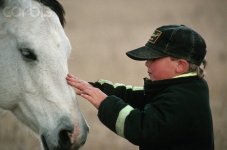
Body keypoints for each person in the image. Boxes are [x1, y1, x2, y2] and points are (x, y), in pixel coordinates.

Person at [66, 24, 214, 150]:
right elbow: (136, 95)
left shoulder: (182, 99)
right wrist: (96, 87)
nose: (147, 63)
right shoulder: (185, 87)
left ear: (180, 65)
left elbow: (143, 129)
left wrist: (105, 103)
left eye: (154, 58)